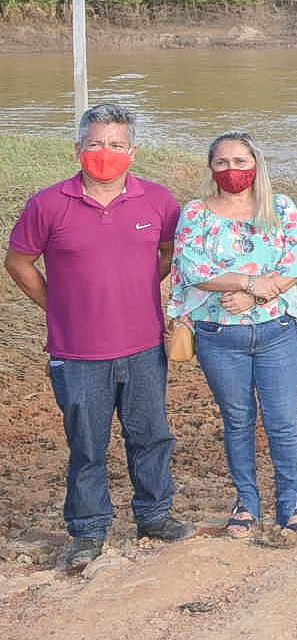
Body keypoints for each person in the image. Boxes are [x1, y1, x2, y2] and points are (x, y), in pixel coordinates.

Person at [5, 103, 194, 570]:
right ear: (79, 148)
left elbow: (170, 252)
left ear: (132, 151)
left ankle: (154, 515)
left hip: (145, 345)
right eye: (95, 143)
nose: (104, 153)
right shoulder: (48, 203)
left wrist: (146, 288)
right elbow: (18, 261)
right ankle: (88, 529)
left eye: (115, 144)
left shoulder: (158, 200)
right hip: (77, 351)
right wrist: (56, 305)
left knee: (150, 435)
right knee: (87, 444)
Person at [169, 132, 297, 538]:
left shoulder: (281, 207)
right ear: (211, 167)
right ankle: (246, 503)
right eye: (222, 162)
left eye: (240, 161)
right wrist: (249, 284)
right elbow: (192, 268)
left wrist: (256, 295)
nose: (231, 170)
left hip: (276, 332)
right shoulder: (196, 212)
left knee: (283, 423)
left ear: (256, 164)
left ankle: (289, 504)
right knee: (238, 421)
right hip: (219, 337)